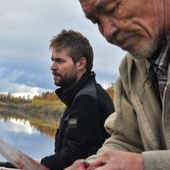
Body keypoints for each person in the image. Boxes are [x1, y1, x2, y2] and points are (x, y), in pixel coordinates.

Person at [65, 0, 170, 169]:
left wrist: (142, 165)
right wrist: (93, 165)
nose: (107, 33)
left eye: (112, 9)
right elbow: (126, 140)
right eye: (97, 21)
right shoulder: (131, 68)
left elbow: (137, 161)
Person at [40, 29, 114, 170]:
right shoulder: (78, 96)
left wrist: (40, 164)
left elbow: (76, 155)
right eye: (52, 60)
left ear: (81, 64)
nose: (52, 67)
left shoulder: (87, 100)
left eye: (59, 61)